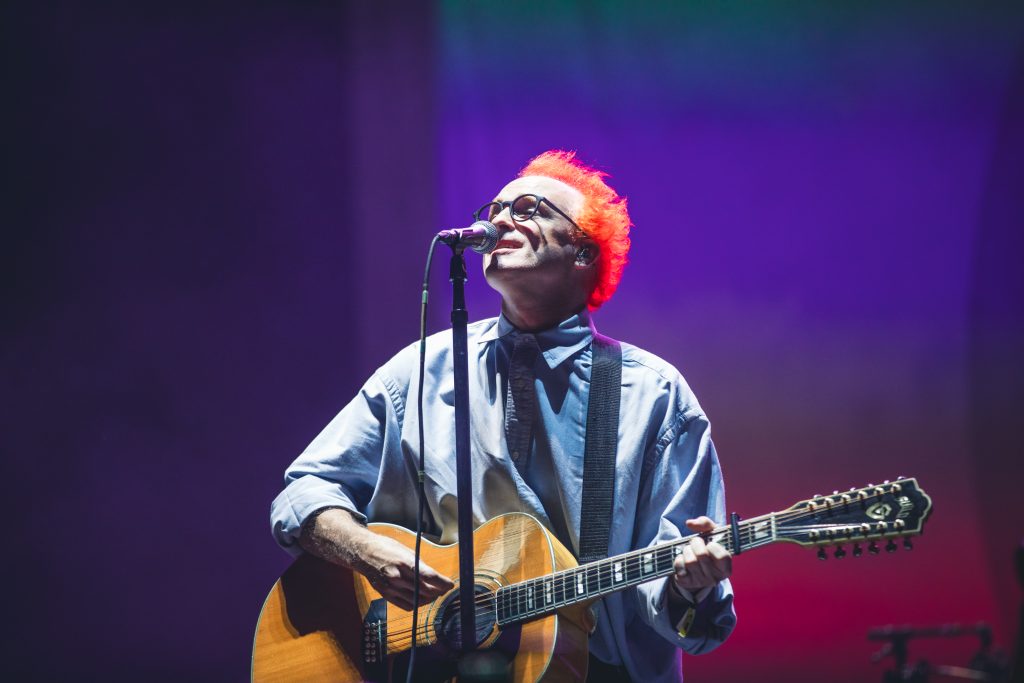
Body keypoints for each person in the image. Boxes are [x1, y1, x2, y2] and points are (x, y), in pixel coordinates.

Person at [270, 150, 736, 682]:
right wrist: (365, 550)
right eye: (494, 208)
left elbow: (686, 610)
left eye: (531, 208)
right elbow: (303, 492)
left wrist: (690, 585)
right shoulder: (424, 370)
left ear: (583, 252)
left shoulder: (653, 395)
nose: (499, 220)